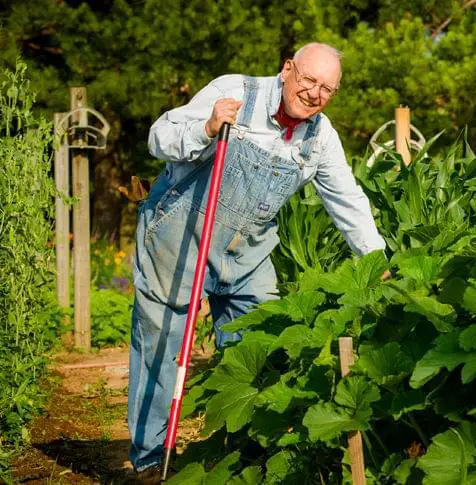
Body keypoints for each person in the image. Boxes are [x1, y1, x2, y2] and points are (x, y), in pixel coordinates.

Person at [127, 42, 386, 475]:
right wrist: (207, 129)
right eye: (308, 80)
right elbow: (160, 137)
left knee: (262, 342)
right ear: (287, 70)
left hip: (246, 255)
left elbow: (349, 202)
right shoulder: (235, 92)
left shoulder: (321, 137)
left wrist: (378, 262)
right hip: (183, 234)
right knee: (162, 338)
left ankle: (243, 456)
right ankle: (151, 460)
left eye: (328, 88)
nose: (315, 94)